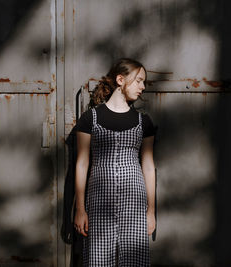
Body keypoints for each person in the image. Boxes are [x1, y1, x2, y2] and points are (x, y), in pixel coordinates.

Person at [74, 58, 156, 267]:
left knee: (134, 262)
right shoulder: (90, 119)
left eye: (144, 82)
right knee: (98, 261)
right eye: (138, 81)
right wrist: (80, 209)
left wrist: (151, 211)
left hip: (135, 202)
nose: (142, 87)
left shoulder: (143, 122)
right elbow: (82, 164)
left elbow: (148, 166)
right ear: (121, 80)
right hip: (99, 202)